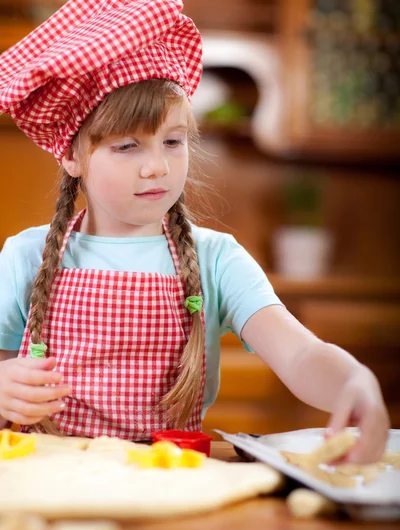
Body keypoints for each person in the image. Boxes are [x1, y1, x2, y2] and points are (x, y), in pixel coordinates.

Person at [0, 0, 389, 462]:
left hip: (171, 486)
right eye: (126, 146)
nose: (156, 167)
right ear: (72, 156)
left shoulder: (217, 260)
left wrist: (355, 382)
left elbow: (301, 356)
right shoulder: (27, 256)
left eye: (172, 141)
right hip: (47, 488)